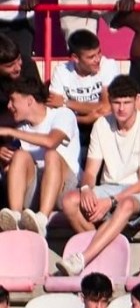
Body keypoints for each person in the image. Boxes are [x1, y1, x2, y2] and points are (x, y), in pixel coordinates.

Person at [55, 75, 140, 275]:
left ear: (136, 101)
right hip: (109, 187)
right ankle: (104, 251)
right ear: (109, 101)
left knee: (126, 204)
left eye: (127, 103)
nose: (121, 108)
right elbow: (91, 171)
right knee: (69, 201)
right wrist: (86, 188)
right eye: (116, 102)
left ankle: (83, 257)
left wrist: (110, 201)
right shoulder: (102, 125)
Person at [0, 76, 80, 239]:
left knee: (51, 154)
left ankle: (42, 220)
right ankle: (15, 218)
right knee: (20, 156)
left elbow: (51, 142)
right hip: (36, 191)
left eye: (13, 100)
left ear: (29, 100)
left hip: (65, 189)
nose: (9, 106)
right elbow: (11, 170)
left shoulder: (62, 115)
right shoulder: (22, 128)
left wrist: (11, 132)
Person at [48, 28, 117, 149]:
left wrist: (65, 103)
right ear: (75, 58)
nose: (98, 59)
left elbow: (106, 107)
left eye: (99, 53)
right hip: (73, 124)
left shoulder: (108, 65)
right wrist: (85, 119)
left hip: (102, 123)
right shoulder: (61, 71)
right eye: (91, 57)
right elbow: (53, 110)